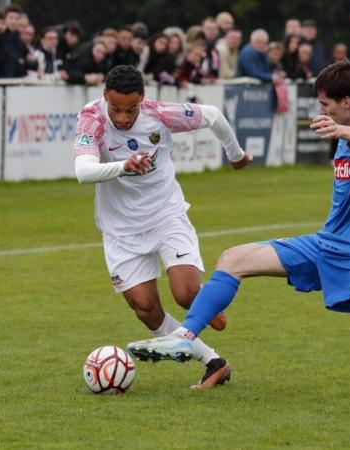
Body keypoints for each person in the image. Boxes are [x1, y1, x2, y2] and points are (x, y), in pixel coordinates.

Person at [127, 60, 350, 411]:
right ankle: (185, 337)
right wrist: (341, 133)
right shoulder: (344, 136)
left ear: (347, 102)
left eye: (326, 104)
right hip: (324, 244)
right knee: (233, 258)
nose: (323, 111)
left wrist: (343, 131)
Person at [73, 65, 252, 388]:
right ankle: (214, 362)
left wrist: (235, 155)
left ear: (142, 98)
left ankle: (202, 304)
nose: (123, 118)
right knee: (146, 309)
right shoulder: (92, 118)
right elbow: (83, 171)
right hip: (121, 229)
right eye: (116, 108)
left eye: (131, 109)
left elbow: (211, 115)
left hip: (165, 215)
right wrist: (123, 166)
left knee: (184, 295)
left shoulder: (160, 114)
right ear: (105, 98)